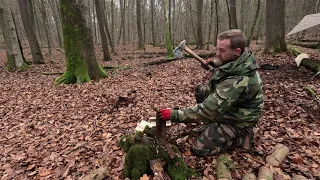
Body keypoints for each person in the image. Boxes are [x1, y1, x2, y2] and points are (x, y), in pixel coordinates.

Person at [158, 29, 264, 156]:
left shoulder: (238, 81)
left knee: (199, 148)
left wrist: (173, 115)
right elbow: (228, 68)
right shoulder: (241, 59)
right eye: (217, 49)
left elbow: (207, 110)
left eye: (222, 51)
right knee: (201, 90)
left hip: (238, 121)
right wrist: (215, 64)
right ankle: (212, 124)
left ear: (237, 52)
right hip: (231, 108)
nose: (217, 53)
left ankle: (240, 139)